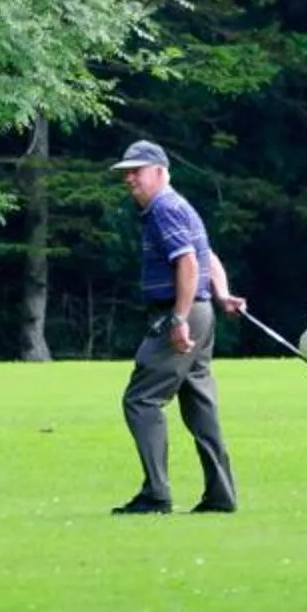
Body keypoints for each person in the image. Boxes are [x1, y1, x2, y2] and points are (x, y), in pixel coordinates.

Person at [108, 139, 245, 515]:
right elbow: (208, 254)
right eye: (126, 173)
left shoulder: (163, 209)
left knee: (141, 400)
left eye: (137, 171)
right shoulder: (179, 205)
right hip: (201, 311)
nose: (129, 179)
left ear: (160, 171)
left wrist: (179, 318)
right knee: (201, 408)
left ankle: (156, 495)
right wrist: (222, 294)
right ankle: (221, 496)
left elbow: (187, 262)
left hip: (180, 311)